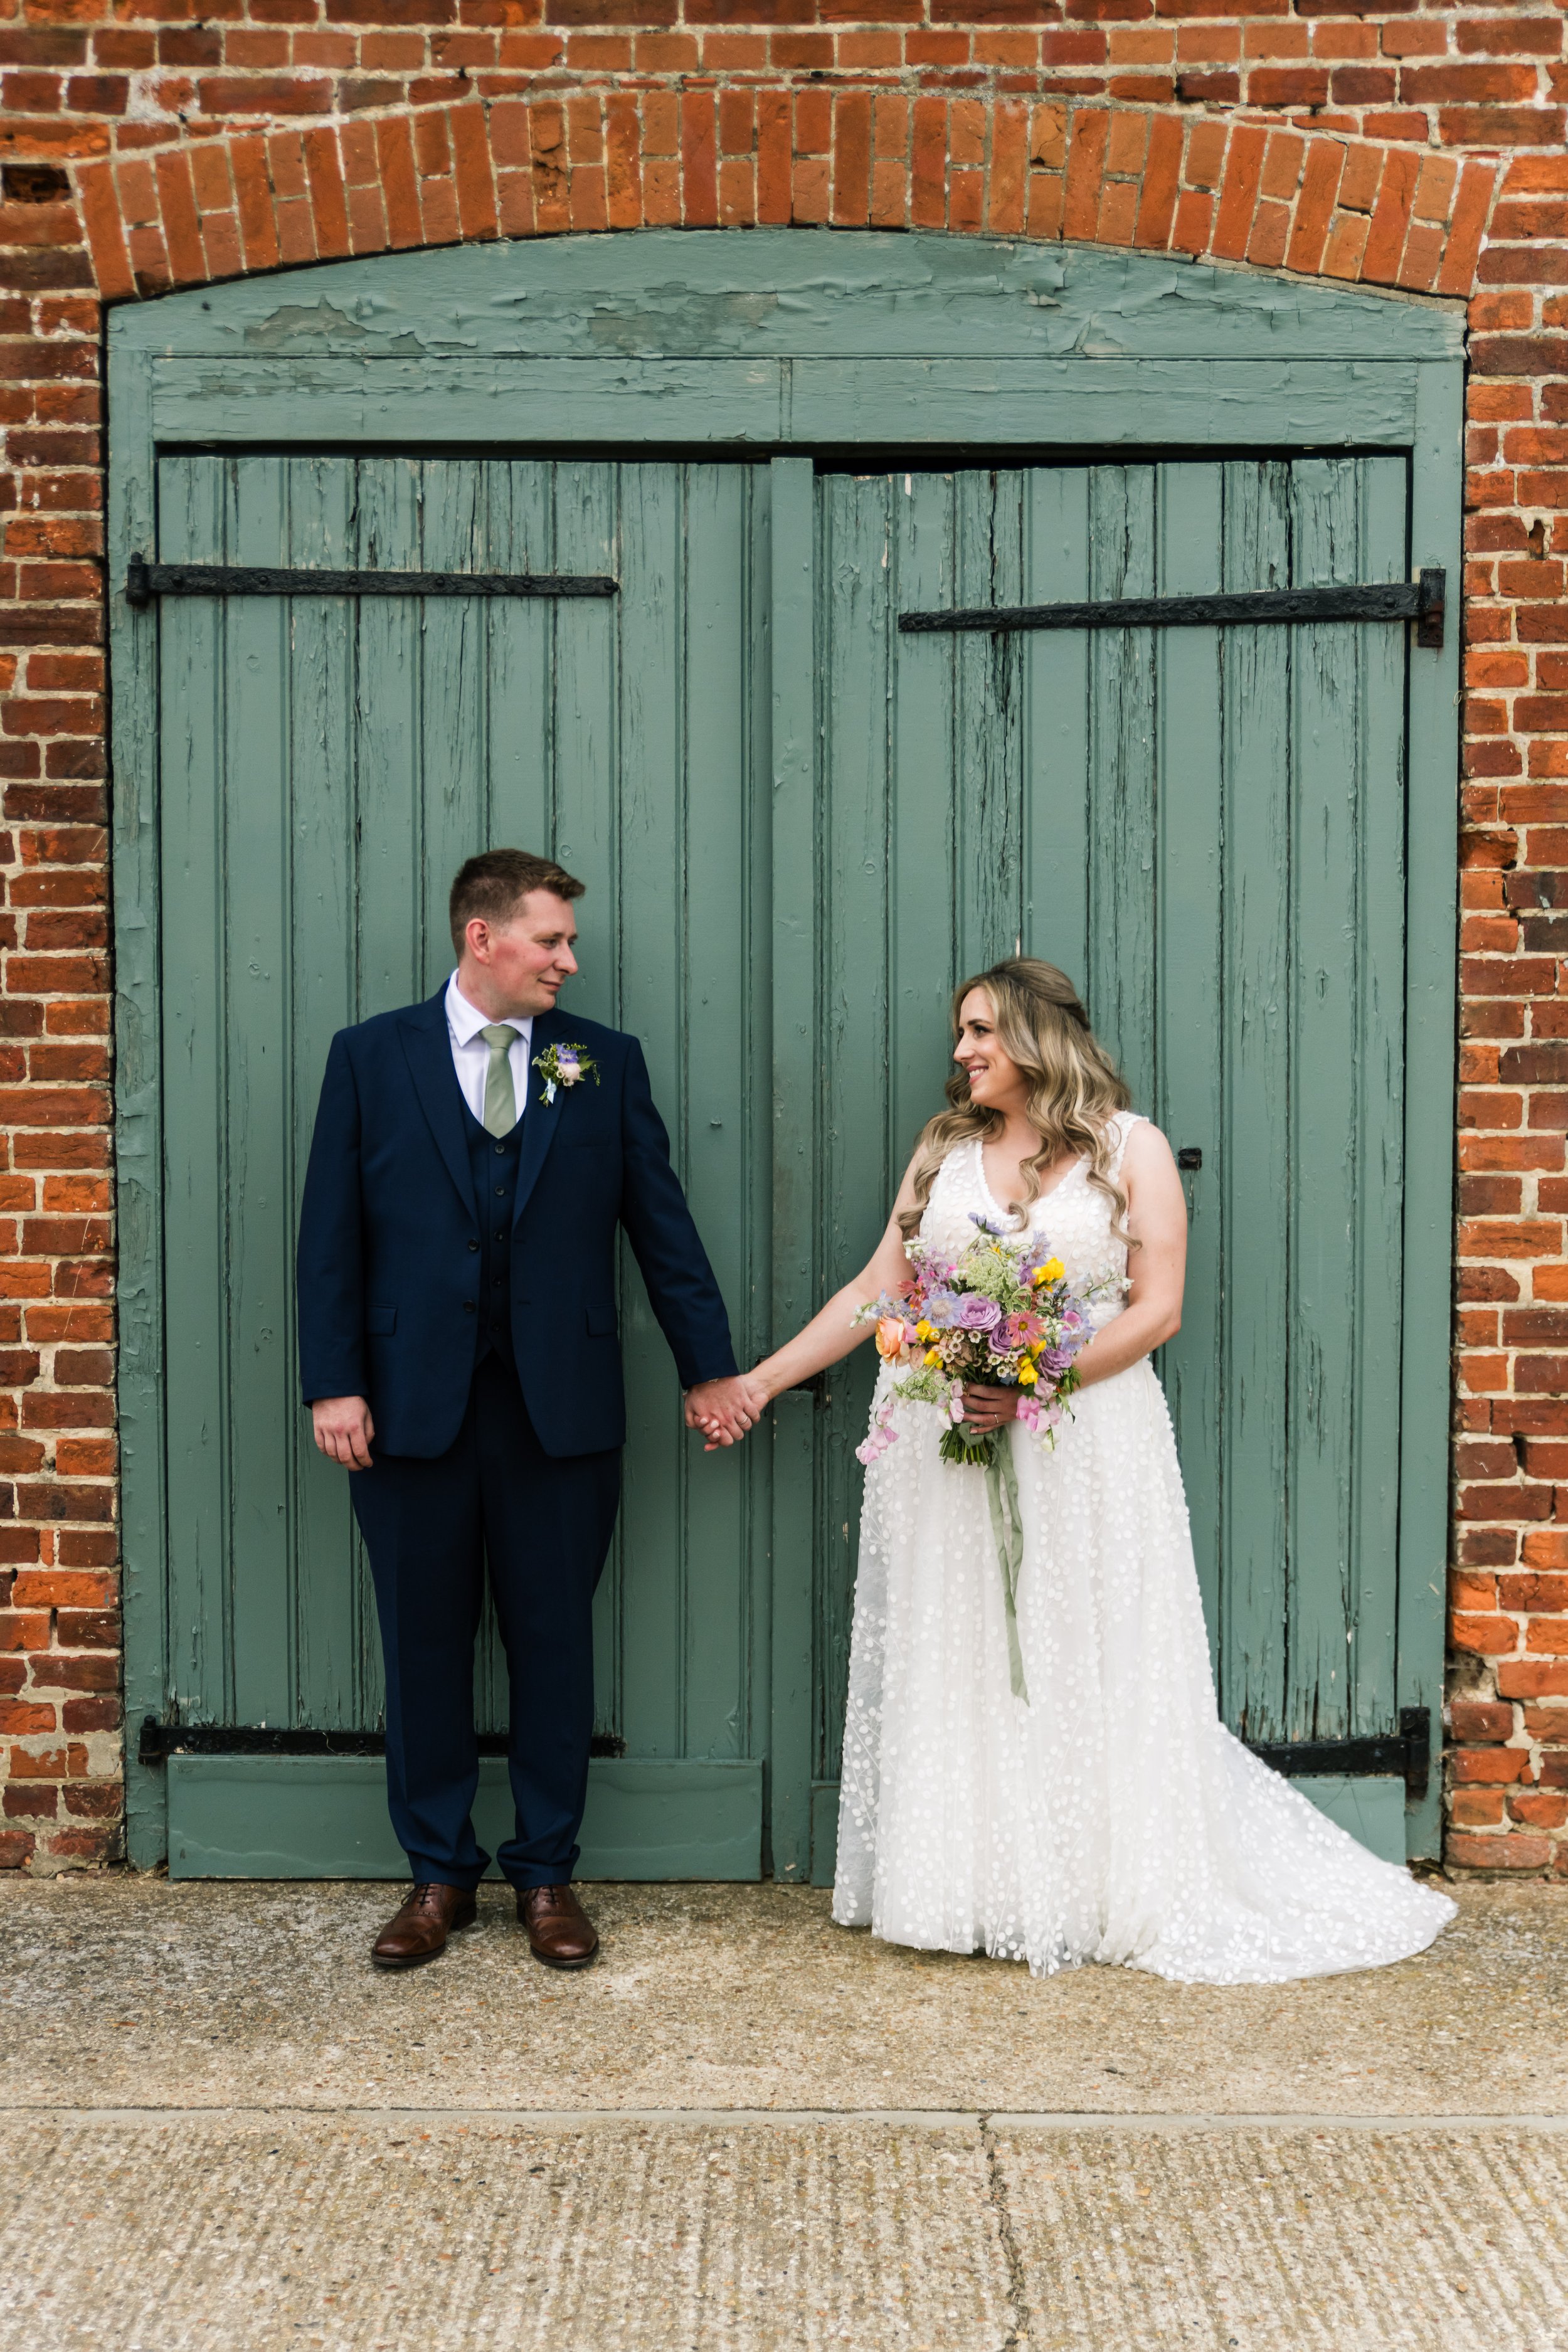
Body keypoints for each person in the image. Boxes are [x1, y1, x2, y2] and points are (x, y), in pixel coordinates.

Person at [714, 958, 1454, 1983]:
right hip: (950, 1447)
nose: (963, 1051)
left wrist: (1033, 1384)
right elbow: (879, 1289)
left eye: (980, 1030)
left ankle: (1088, 1884)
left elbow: (1158, 1309)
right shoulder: (945, 1149)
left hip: (1084, 1439)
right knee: (968, 1645)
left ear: (1035, 1035)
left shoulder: (1129, 1145)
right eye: (960, 1033)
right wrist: (759, 1381)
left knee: (1082, 1643)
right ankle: (973, 1885)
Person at [297, 849, 757, 1972]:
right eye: (550, 940)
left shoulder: (599, 1062)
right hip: (408, 1409)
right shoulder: (370, 1058)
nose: (569, 959)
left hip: (562, 1409)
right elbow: (330, 1237)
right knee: (423, 1646)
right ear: (481, 938)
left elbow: (662, 1224)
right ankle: (436, 1876)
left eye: (567, 941)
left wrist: (710, 1367)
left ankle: (547, 1874)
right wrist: (333, 1379)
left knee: (555, 1644)